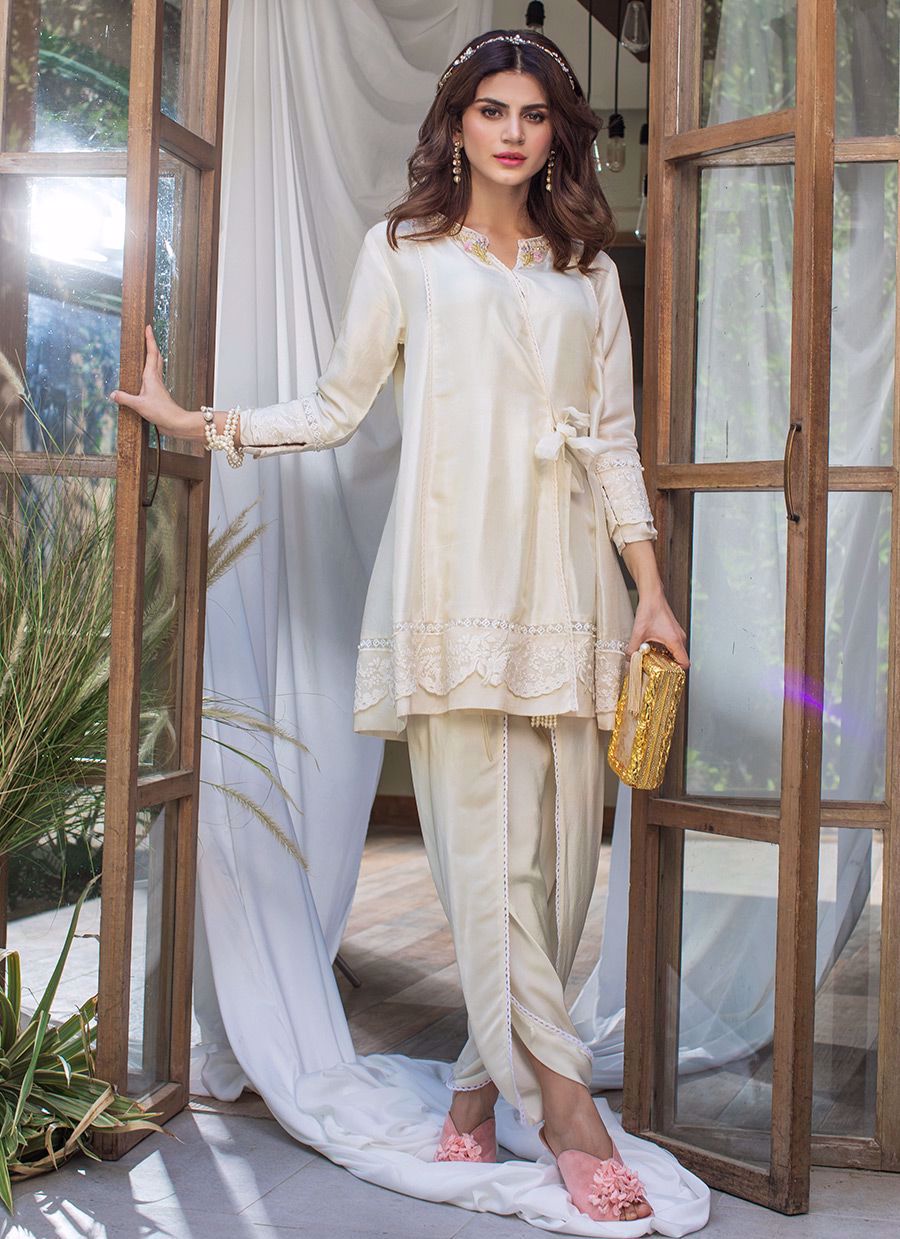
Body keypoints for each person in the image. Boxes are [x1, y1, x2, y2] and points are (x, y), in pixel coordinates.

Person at [110, 28, 690, 1226]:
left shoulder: (589, 271)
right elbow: (338, 407)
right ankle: (567, 1113)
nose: (514, 133)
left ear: (558, 133)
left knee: (557, 869)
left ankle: (478, 1086)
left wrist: (649, 590)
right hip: (452, 583)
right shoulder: (404, 250)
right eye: (493, 111)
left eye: (534, 114)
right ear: (458, 125)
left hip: (571, 589)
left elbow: (615, 445)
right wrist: (197, 422)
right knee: (485, 861)